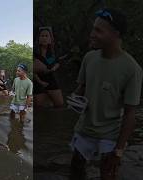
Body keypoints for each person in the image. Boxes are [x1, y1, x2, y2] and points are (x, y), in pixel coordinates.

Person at [69, 8, 143, 180]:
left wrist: (119, 150)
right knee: (75, 170)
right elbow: (81, 89)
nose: (92, 34)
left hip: (110, 135)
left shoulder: (132, 69)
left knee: (108, 173)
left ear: (116, 34)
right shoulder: (89, 58)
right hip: (84, 129)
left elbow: (131, 114)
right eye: (93, 29)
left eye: (98, 30)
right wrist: (74, 100)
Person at [35, 26, 64, 108]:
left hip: (50, 79)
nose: (44, 38)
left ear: (50, 39)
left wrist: (54, 67)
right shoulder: (35, 53)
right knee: (40, 106)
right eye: (42, 36)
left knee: (59, 104)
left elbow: (57, 62)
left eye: (46, 36)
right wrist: (40, 82)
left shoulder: (51, 54)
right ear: (38, 38)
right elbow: (33, 70)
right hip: (38, 80)